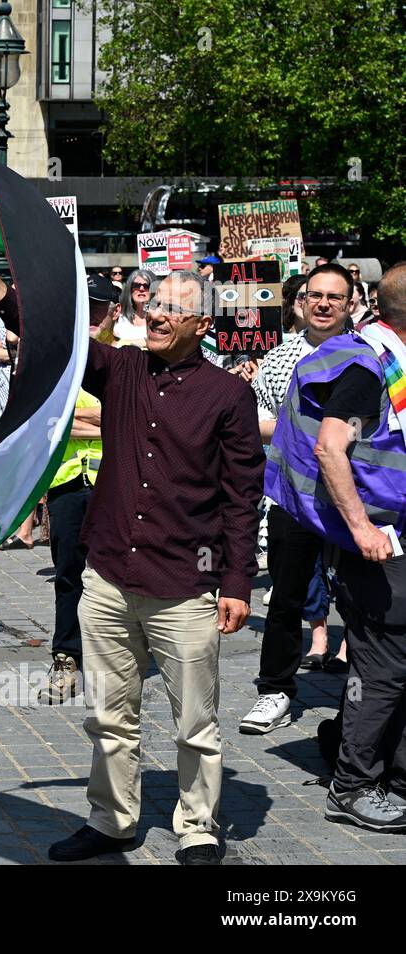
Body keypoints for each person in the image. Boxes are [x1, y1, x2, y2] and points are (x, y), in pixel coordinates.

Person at [0, 265, 264, 864]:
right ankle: (112, 819)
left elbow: (241, 497)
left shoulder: (228, 395)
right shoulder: (123, 369)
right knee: (107, 713)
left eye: (174, 307)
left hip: (185, 585)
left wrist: (236, 582)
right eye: (152, 305)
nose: (157, 314)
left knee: (195, 722)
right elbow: (61, 343)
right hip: (108, 579)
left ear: (202, 323)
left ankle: (198, 825)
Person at [268, 262, 406, 832]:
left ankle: (393, 780)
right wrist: (362, 530)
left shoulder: (385, 358)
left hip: (392, 541)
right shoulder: (365, 363)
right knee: (384, 669)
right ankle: (351, 785)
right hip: (379, 548)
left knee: (399, 666)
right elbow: (330, 448)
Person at [240, 265, 354, 735]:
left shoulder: (366, 354)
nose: (324, 304)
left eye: (335, 297)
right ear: (300, 303)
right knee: (286, 595)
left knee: (361, 595)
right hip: (293, 493)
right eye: (315, 296)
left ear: (351, 305)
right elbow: (257, 420)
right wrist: (305, 434)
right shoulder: (280, 356)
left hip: (351, 495)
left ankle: (363, 696)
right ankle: (275, 691)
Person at [39, 278, 113, 704]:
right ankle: (67, 657)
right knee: (69, 574)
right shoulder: (59, 361)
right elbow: (51, 421)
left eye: (98, 308)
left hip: (115, 482)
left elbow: (131, 420)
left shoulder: (128, 359)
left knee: (117, 575)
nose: (91, 316)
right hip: (68, 481)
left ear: (112, 314)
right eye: (85, 307)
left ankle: (113, 659)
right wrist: (98, 418)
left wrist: (80, 418)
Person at [113, 269, 155, 346]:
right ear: (130, 289)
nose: (141, 289)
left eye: (146, 286)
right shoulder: (118, 317)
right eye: (136, 285)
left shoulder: (159, 318)